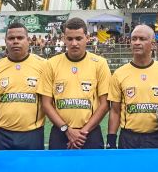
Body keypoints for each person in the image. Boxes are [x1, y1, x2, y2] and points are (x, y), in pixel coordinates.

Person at [40, 17, 111, 150]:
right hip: (60, 132)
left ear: (87, 38)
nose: (74, 43)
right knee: (59, 171)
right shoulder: (51, 64)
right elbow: (46, 103)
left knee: (92, 171)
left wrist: (83, 132)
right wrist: (67, 129)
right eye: (70, 39)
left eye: (78, 38)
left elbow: (105, 104)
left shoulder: (100, 63)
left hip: (90, 133)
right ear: (63, 39)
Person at [107, 25, 158, 149]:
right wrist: (111, 139)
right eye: (134, 39)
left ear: (153, 44)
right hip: (129, 139)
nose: (137, 42)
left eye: (142, 39)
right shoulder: (119, 73)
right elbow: (115, 111)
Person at [0, 22, 46, 150]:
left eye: (20, 38)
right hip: (2, 134)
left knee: (30, 170)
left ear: (28, 40)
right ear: (5, 41)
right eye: (11, 38)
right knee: (1, 170)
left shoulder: (44, 66)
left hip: (32, 133)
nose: (15, 41)